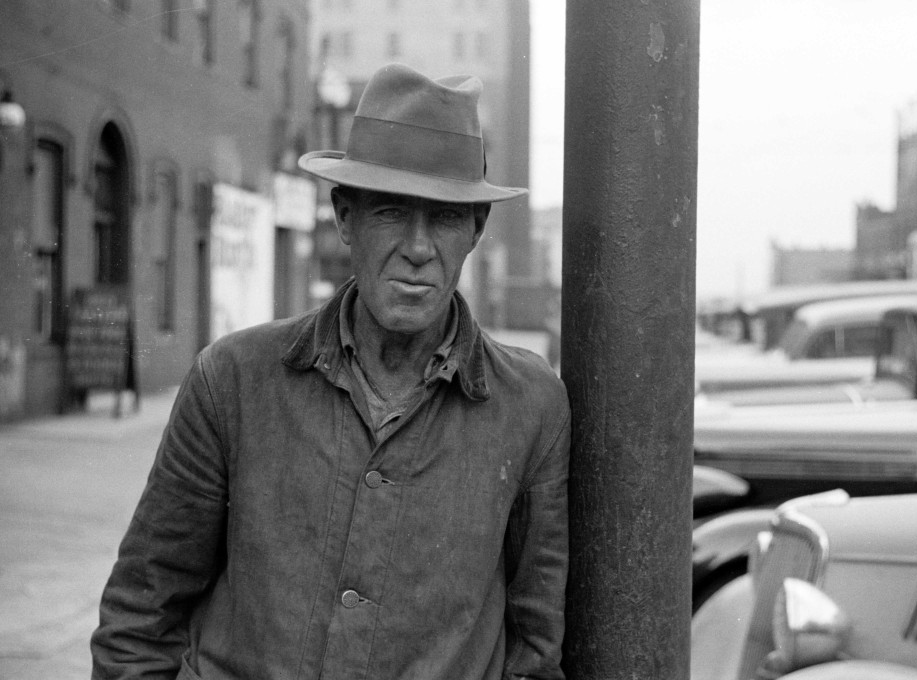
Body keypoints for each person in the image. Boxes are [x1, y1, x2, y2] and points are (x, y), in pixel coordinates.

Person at [91, 63, 570, 680]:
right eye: (393, 212)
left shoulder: (530, 408)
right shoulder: (233, 381)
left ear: (476, 230)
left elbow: (535, 652)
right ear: (346, 218)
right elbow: (140, 617)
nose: (419, 248)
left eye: (447, 217)